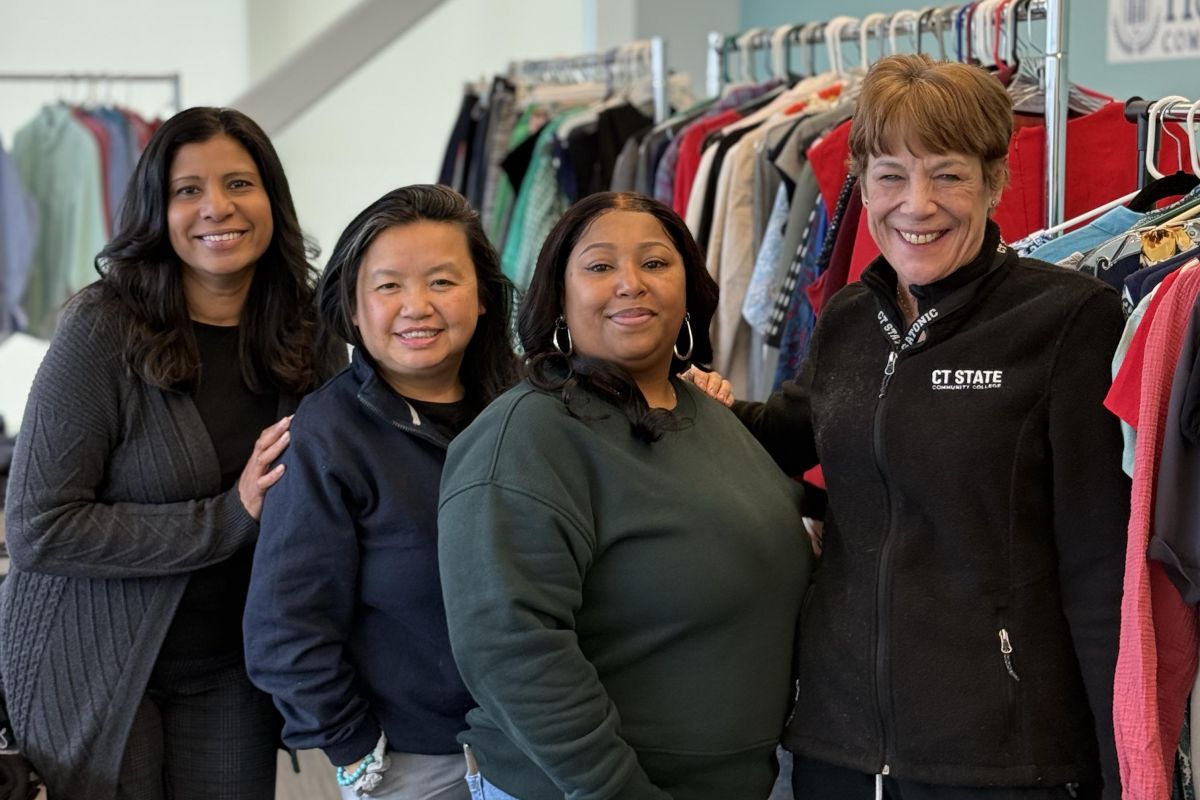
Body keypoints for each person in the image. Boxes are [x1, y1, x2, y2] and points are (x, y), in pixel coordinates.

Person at [686, 54, 1129, 800]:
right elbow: (783, 439)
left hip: (998, 759)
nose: (917, 205)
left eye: (947, 175)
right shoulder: (850, 319)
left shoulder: (1065, 320)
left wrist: (1122, 773)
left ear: (993, 180)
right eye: (890, 175)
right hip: (836, 745)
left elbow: (1098, 569)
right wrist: (690, 398)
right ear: (862, 183)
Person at [0, 106, 343, 800]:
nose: (217, 207)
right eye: (188, 190)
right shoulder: (102, 327)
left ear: (272, 199)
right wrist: (229, 515)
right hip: (93, 664)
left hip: (233, 663)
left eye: (239, 183)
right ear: (158, 210)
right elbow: (38, 528)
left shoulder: (310, 329)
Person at [437, 192, 812, 800]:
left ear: (689, 289)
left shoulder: (709, 414)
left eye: (655, 263)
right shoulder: (528, 435)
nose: (630, 283)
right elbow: (510, 647)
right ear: (559, 297)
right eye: (600, 266)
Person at [243, 184, 520, 800]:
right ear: (353, 304)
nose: (417, 306)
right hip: (417, 763)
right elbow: (284, 627)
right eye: (389, 285)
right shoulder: (327, 435)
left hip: (543, 742)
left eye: (442, 281)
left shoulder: (527, 409)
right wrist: (351, 747)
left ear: (482, 297)